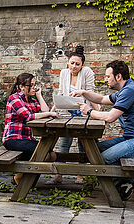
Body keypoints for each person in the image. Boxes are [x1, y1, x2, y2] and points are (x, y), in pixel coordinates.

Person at [71, 60, 134, 201]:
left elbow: (110, 117)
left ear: (118, 76)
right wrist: (83, 92)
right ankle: (123, 182)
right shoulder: (124, 90)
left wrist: (89, 111)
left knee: (104, 158)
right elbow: (101, 99)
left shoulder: (129, 91)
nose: (106, 79)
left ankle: (125, 183)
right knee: (90, 148)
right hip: (132, 138)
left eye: (108, 76)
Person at [49, 45, 100, 185]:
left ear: (82, 64)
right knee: (64, 142)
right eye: (72, 63)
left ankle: (80, 175)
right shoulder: (64, 73)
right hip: (67, 110)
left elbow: (90, 93)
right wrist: (52, 110)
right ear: (68, 62)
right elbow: (60, 93)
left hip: (83, 109)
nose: (74, 66)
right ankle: (59, 174)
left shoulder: (87, 72)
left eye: (77, 64)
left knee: (83, 143)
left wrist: (98, 113)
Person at [2, 73, 59, 185]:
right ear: (21, 87)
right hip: (13, 139)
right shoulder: (14, 99)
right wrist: (50, 113)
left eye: (35, 84)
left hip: (26, 139)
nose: (34, 87)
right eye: (31, 85)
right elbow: (28, 116)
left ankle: (23, 178)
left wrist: (39, 95)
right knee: (44, 154)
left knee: (52, 155)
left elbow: (44, 112)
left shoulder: (31, 101)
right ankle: (24, 181)